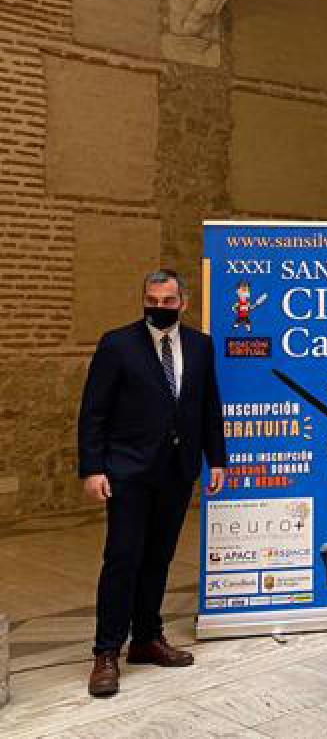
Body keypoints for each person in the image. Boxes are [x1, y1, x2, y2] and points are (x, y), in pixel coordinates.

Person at [78, 269, 226, 697]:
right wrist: (93, 467)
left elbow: (208, 406)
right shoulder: (117, 344)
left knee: (158, 558)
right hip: (127, 472)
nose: (158, 308)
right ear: (143, 299)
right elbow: (94, 412)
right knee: (122, 558)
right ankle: (106, 651)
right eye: (152, 300)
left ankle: (146, 638)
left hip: (177, 471)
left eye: (167, 301)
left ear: (184, 302)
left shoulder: (200, 345)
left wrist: (216, 459)